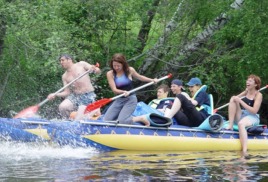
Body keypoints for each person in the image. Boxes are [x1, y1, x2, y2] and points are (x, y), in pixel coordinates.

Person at [103, 53, 158, 124]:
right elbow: (114, 90)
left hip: (130, 99)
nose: (116, 68)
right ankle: (120, 120)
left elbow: (140, 77)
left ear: (123, 64)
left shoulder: (130, 70)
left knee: (122, 121)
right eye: (114, 66)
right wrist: (123, 92)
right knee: (106, 120)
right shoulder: (110, 74)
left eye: (118, 66)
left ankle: (140, 118)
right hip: (119, 99)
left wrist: (152, 80)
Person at [47, 54, 101, 119]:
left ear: (69, 60)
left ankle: (80, 117)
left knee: (94, 115)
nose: (61, 62)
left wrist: (95, 69)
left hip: (88, 95)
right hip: (75, 96)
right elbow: (66, 92)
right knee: (63, 107)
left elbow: (97, 71)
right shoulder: (64, 76)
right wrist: (55, 94)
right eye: (60, 61)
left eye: (62, 60)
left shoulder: (81, 64)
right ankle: (69, 122)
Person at [224, 74, 262, 154]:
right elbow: (234, 99)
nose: (247, 82)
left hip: (252, 117)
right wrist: (243, 94)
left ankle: (244, 151)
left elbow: (254, 111)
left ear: (255, 84)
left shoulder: (258, 95)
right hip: (243, 114)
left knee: (241, 124)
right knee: (233, 99)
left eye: (250, 81)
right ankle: (230, 125)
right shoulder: (246, 92)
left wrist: (240, 101)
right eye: (247, 80)